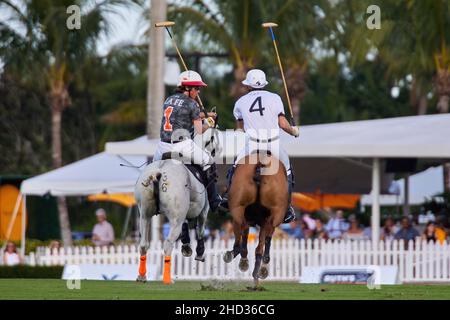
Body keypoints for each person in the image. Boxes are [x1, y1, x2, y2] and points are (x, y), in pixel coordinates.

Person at [219, 69, 300, 223]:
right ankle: (288, 207)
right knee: (288, 171)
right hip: (273, 145)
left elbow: (240, 128)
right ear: (264, 84)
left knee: (235, 167)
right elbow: (283, 124)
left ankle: (227, 198)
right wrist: (293, 131)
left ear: (248, 85)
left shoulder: (240, 102)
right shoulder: (275, 98)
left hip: (252, 146)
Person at [152, 70, 222, 213]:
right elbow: (200, 129)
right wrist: (210, 121)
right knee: (208, 161)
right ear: (188, 88)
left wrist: (206, 114)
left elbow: (183, 112)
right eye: (197, 88)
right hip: (182, 146)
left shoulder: (169, 100)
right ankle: (214, 201)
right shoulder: (192, 104)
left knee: (151, 173)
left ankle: (153, 201)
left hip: (162, 147)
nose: (198, 91)